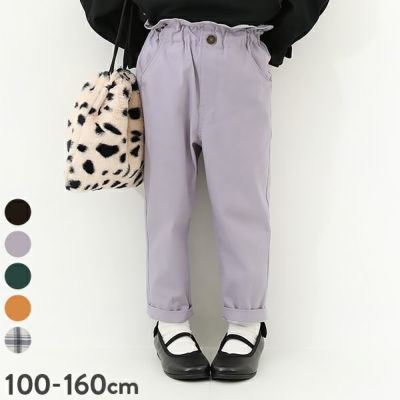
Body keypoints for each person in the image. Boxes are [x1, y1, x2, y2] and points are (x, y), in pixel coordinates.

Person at [80, 0, 329, 381]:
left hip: (241, 47)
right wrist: (143, 40)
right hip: (166, 47)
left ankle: (246, 320)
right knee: (165, 201)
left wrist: (272, 39)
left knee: (243, 200)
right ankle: (169, 319)